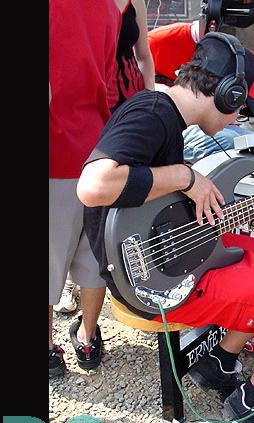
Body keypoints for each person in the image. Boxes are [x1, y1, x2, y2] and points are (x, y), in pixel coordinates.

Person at [77, 32, 254, 423]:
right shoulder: (152, 112)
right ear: (225, 93)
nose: (237, 119)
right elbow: (94, 186)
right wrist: (185, 176)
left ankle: (221, 361)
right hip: (154, 280)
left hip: (175, 249)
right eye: (240, 107)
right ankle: (253, 403)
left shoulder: (165, 115)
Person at [49, 0, 121, 377]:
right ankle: (89, 338)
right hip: (98, 149)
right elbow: (109, 83)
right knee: (94, 256)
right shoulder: (108, 8)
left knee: (48, 259)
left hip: (53, 148)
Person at [148, 21, 254, 163]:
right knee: (228, 141)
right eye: (240, 107)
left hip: (200, 120)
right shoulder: (158, 39)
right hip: (170, 119)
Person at [108, 0, 155, 113]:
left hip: (134, 98)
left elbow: (144, 56)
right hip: (96, 99)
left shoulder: (136, 2)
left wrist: (150, 95)